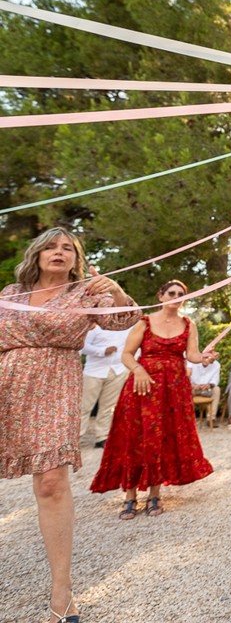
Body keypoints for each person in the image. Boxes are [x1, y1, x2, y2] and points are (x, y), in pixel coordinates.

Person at [0, 227, 141, 623]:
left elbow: (126, 318)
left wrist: (113, 289)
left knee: (50, 482)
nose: (59, 252)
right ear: (37, 253)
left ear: (77, 260)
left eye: (68, 248)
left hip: (54, 384)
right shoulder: (11, 294)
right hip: (5, 382)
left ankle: (61, 594)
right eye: (51, 245)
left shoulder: (86, 293)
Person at [90, 280, 214, 518]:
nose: (176, 297)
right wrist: (138, 370)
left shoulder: (189, 324)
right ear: (161, 296)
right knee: (135, 438)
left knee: (162, 439)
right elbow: (126, 354)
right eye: (171, 293)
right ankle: (129, 497)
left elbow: (193, 355)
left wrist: (204, 358)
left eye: (181, 294)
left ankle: (155, 494)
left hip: (174, 390)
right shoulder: (144, 322)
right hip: (143, 387)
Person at [80, 323, 136, 448]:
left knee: (108, 406)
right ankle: (77, 437)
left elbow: (134, 347)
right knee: (85, 406)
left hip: (118, 370)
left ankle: (102, 437)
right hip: (94, 371)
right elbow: (82, 346)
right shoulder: (96, 326)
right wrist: (101, 351)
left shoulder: (129, 326)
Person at [188, 349, 222, 420]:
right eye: (205, 357)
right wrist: (193, 386)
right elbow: (186, 378)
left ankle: (211, 418)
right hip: (193, 388)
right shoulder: (193, 361)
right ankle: (186, 417)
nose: (207, 360)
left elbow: (215, 381)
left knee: (216, 389)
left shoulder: (217, 365)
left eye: (210, 358)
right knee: (183, 390)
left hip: (206, 389)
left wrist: (209, 385)